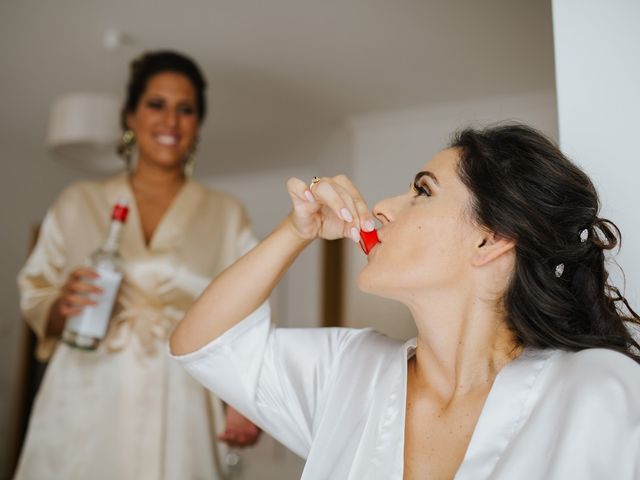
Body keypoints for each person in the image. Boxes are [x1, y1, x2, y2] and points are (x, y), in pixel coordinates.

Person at [170, 124, 640, 479]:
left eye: (422, 191)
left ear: (492, 240)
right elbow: (203, 343)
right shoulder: (346, 372)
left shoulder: (597, 389)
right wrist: (298, 230)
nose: (383, 207)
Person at [16, 51, 261, 480]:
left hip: (182, 393)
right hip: (85, 384)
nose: (170, 121)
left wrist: (243, 398)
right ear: (129, 115)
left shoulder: (227, 214)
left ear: (198, 125)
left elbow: (248, 313)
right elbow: (36, 291)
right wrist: (61, 306)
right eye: (156, 104)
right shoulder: (78, 202)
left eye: (185, 110)